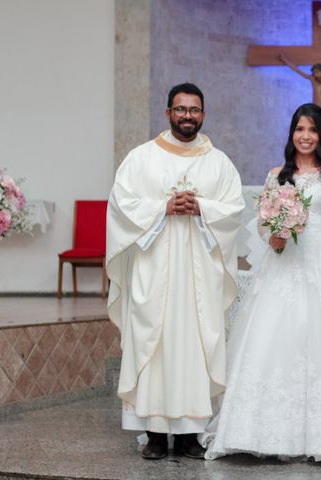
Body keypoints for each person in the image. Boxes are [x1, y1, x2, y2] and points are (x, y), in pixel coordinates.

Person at [205, 103, 321, 461]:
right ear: (291, 134)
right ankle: (267, 433)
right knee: (281, 338)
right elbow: (263, 224)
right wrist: (273, 236)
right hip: (287, 262)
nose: (305, 136)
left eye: (312, 130)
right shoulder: (277, 175)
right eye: (299, 129)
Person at [106, 83, 244, 460]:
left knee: (196, 346)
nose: (188, 116)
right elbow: (120, 205)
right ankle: (154, 434)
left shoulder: (219, 162)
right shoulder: (141, 158)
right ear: (168, 113)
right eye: (180, 109)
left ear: (203, 113)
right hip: (154, 272)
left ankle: (188, 436)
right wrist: (162, 206)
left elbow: (233, 209)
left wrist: (203, 208)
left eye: (194, 110)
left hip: (200, 273)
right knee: (155, 343)